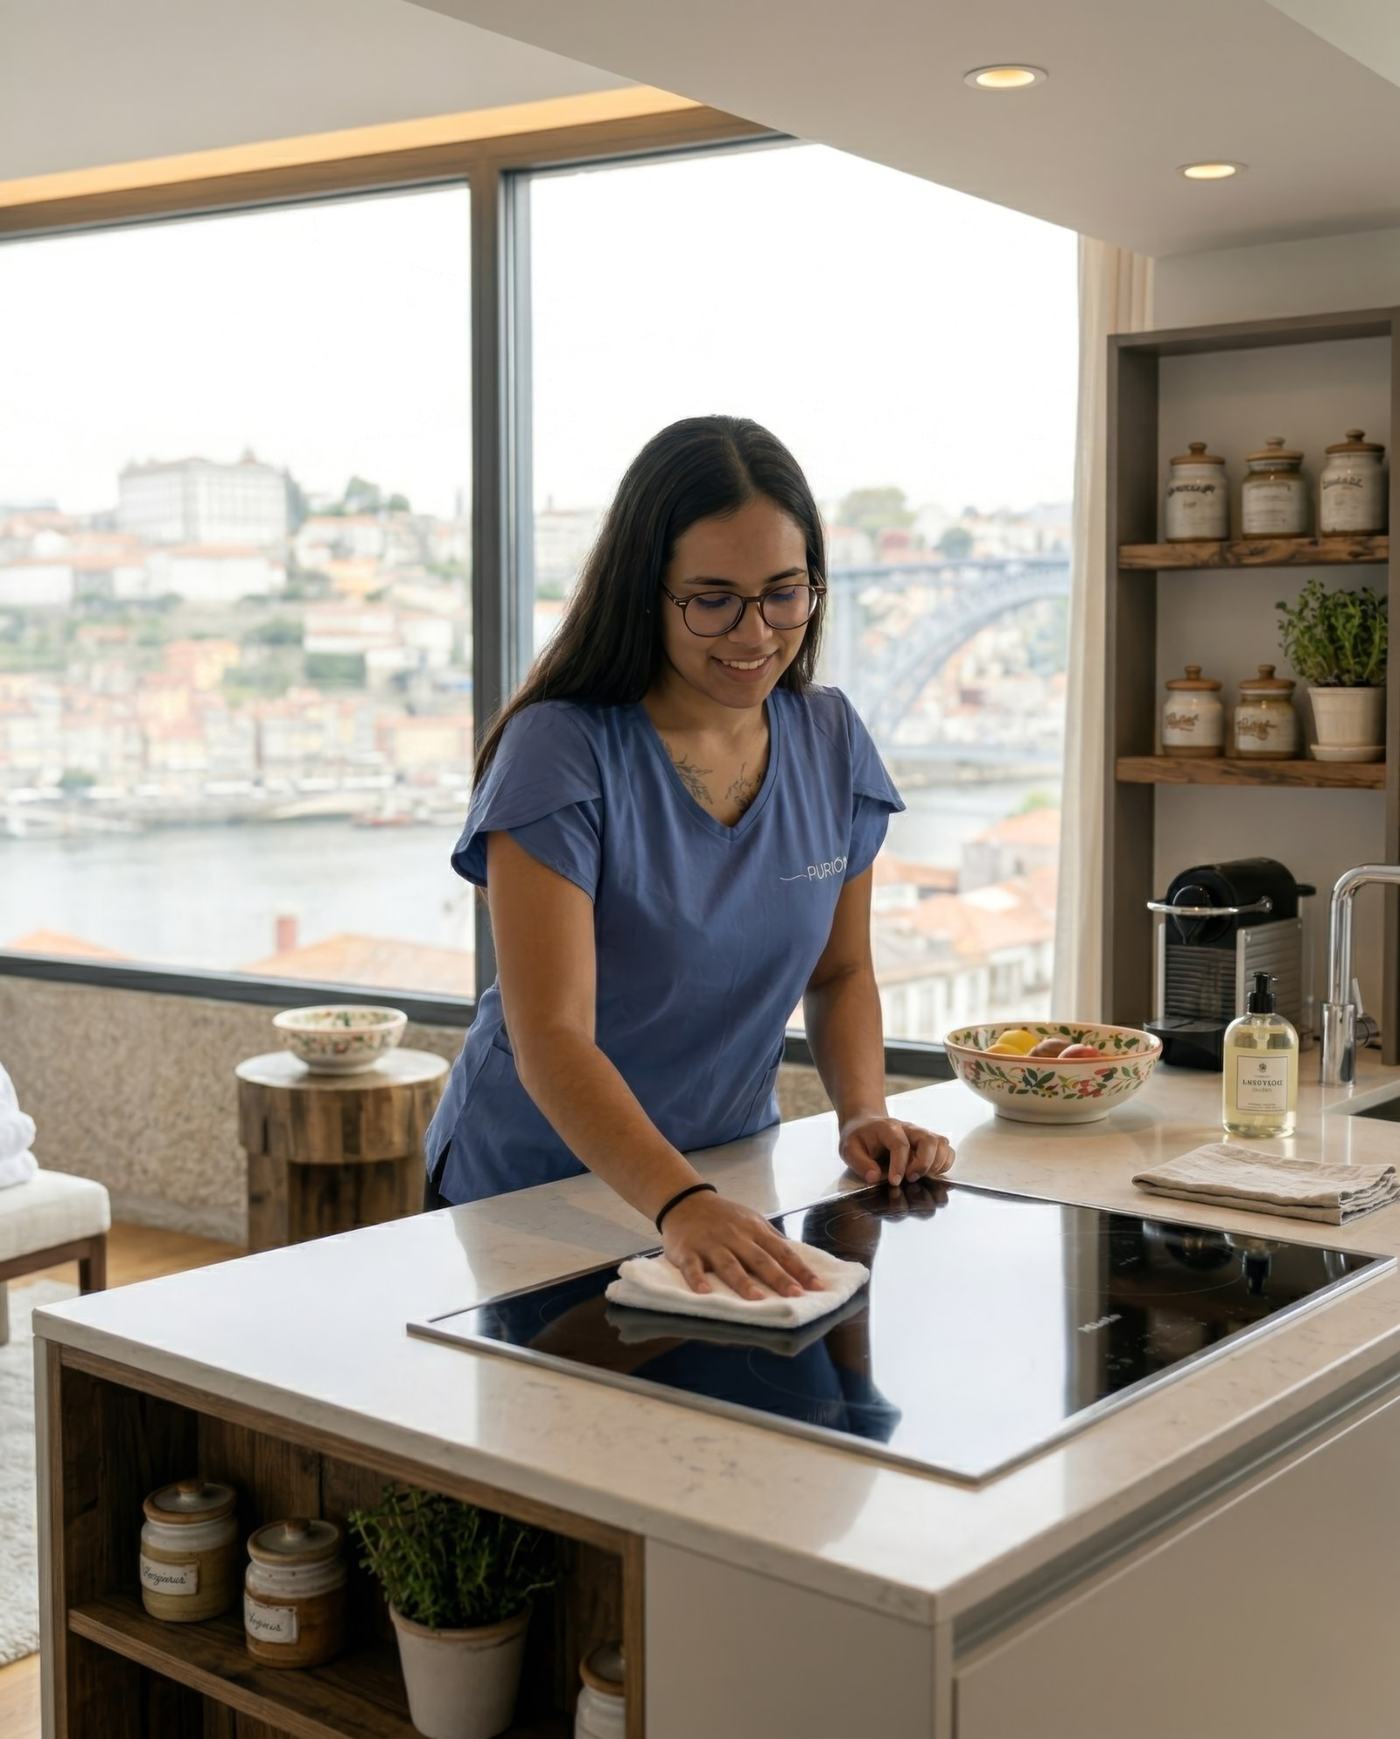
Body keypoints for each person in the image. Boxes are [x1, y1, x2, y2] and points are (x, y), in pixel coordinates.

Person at [424, 415, 955, 1299]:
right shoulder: (559, 751)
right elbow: (550, 1037)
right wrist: (679, 1202)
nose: (754, 634)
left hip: (728, 1177)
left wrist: (864, 1112)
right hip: (537, 1190)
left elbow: (841, 971)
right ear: (645, 592)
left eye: (785, 593)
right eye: (712, 599)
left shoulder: (830, 737)